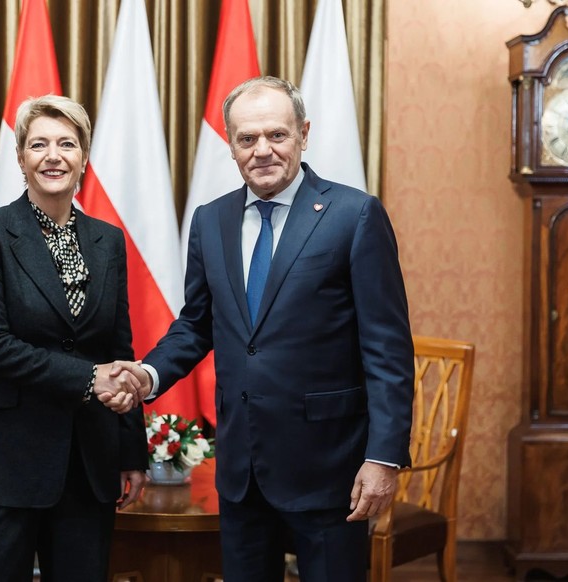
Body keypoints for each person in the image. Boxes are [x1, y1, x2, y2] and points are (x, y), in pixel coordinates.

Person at [116, 76, 414, 582]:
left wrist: (383, 457)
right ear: (230, 145)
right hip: (242, 470)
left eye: (277, 135)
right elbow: (196, 326)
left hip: (330, 469)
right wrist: (149, 375)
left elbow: (387, 349)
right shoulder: (211, 221)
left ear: (304, 133)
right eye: (247, 139)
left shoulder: (354, 215)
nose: (263, 151)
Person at [0, 94, 148, 582]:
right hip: (4, 461)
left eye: (67, 143)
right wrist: (88, 378)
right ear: (20, 158)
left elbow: (118, 350)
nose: (53, 156)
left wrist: (130, 452)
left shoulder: (108, 240)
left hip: (89, 461)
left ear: (84, 157)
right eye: (38, 144)